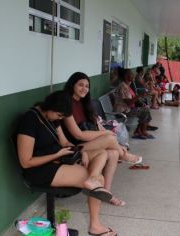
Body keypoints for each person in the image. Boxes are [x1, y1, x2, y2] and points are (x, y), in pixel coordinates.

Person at [16, 91, 117, 235]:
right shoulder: (29, 120)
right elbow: (26, 162)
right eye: (59, 115)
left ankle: (92, 182)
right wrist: (56, 155)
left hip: (57, 159)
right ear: (50, 107)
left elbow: (64, 142)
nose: (60, 119)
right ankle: (95, 226)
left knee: (102, 153)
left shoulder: (51, 116)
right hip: (39, 169)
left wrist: (80, 150)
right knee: (99, 179)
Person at [63, 72, 143, 206]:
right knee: (110, 138)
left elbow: (98, 125)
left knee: (113, 152)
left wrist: (107, 134)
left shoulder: (85, 103)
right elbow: (78, 135)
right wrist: (105, 135)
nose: (84, 89)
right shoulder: (67, 105)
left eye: (87, 86)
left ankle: (107, 193)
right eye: (80, 85)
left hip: (88, 143)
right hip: (75, 147)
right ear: (72, 85)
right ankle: (125, 156)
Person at [114, 69, 156, 139]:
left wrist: (140, 103)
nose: (133, 75)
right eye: (131, 74)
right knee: (145, 111)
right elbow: (128, 102)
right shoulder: (122, 87)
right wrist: (139, 95)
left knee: (145, 109)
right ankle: (142, 131)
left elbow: (132, 99)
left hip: (127, 109)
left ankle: (139, 131)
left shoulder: (127, 86)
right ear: (126, 76)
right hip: (122, 111)